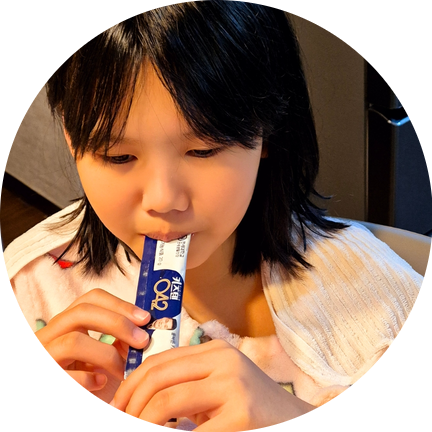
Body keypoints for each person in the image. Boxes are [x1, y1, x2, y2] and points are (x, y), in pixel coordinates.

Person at [4, 2, 422, 430]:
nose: (163, 200)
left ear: (267, 129)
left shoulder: (377, 303)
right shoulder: (33, 282)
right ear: (72, 138)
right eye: (118, 156)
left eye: (202, 150)